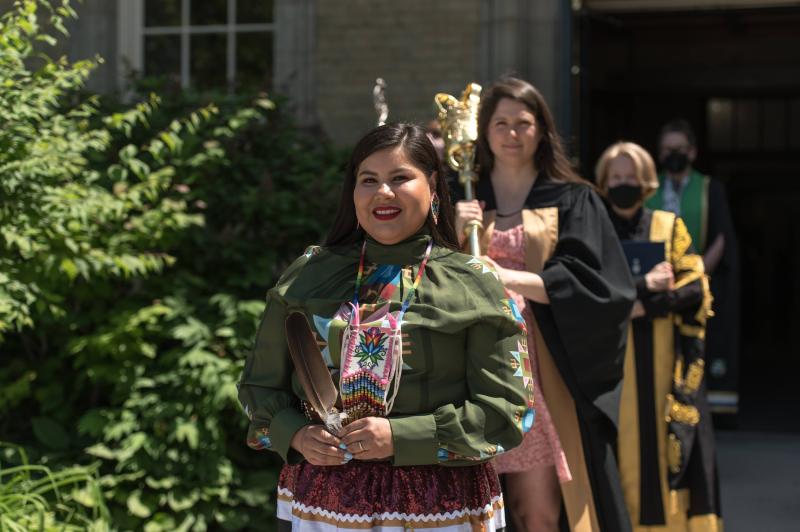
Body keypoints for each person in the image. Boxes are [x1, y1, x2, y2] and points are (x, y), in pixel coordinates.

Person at [238, 123, 534, 531]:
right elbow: (258, 387)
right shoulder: (308, 276)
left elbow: (508, 411)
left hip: (441, 505)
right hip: (323, 504)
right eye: (369, 180)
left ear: (432, 187)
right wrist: (297, 435)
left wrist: (403, 437)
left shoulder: (474, 284)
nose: (383, 193)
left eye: (400, 178)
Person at [455, 77, 635, 532]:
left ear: (542, 130)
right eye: (500, 123)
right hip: (468, 369)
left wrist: (507, 277)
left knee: (536, 512)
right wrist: (452, 233)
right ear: (484, 131)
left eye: (523, 122)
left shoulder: (574, 200)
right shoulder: (462, 199)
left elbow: (602, 286)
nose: (512, 133)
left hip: (539, 369)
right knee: (473, 509)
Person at [596, 141, 722, 532]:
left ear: (647, 181)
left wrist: (637, 305)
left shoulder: (667, 226)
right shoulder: (592, 232)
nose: (623, 184)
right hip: (613, 371)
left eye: (631, 177)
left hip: (665, 368)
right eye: (615, 177)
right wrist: (645, 286)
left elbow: (695, 288)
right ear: (602, 182)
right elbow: (585, 295)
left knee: (672, 456)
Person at [646, 119, 740, 422]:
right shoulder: (649, 188)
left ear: (693, 152)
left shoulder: (710, 189)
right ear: (659, 154)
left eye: (680, 149)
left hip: (700, 284)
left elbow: (721, 239)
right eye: (667, 149)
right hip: (658, 285)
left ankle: (708, 414)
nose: (674, 154)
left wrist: (694, 277)